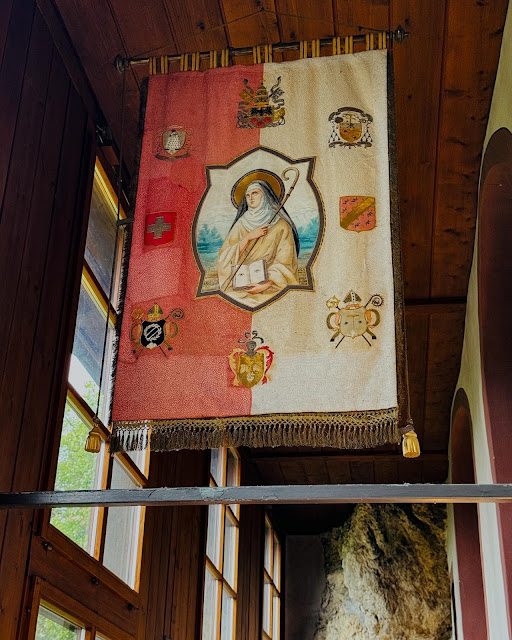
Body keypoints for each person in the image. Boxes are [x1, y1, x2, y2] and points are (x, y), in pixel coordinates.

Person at [217, 180, 300, 307]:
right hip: (241, 286)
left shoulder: (281, 226)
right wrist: (248, 238)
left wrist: (265, 284)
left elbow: (285, 263)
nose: (250, 198)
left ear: (265, 195)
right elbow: (224, 257)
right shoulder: (240, 224)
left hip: (272, 286)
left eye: (255, 193)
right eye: (247, 195)